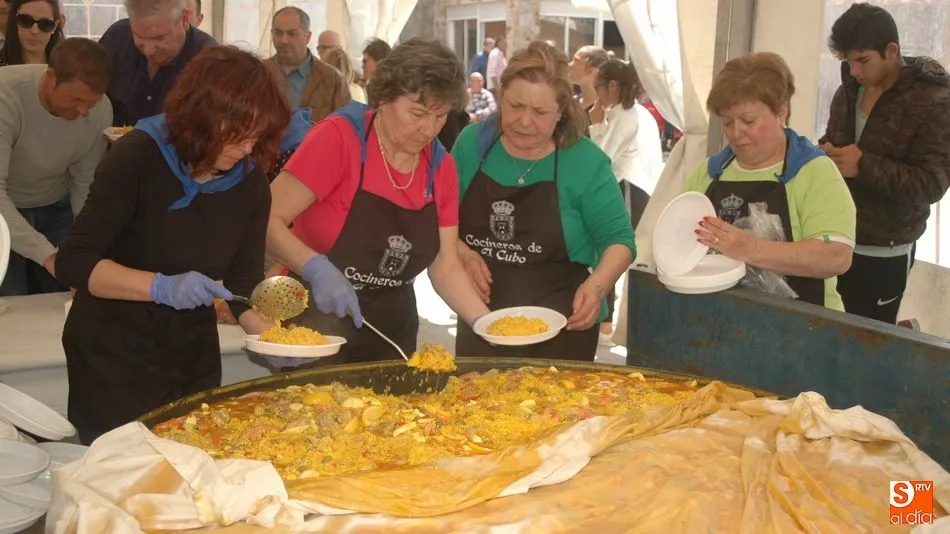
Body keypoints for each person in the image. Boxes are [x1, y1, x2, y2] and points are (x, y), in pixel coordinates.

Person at [56, 46, 290, 444]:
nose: (247, 149)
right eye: (238, 133)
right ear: (201, 115)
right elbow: (74, 261)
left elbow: (242, 282)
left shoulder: (249, 184)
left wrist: (271, 339)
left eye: (256, 136)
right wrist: (160, 286)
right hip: (112, 354)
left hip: (189, 357)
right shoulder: (138, 157)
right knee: (121, 470)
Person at [266, 38, 489, 366]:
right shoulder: (339, 138)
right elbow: (267, 219)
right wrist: (314, 267)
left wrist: (487, 324)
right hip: (314, 325)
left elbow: (445, 265)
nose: (428, 129)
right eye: (418, 113)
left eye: (440, 116)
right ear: (384, 97)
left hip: (391, 332)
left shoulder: (441, 168)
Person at [452, 41, 635, 361]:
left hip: (563, 324)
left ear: (561, 111)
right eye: (515, 106)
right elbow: (438, 222)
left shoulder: (585, 162)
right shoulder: (472, 145)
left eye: (539, 112)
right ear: (501, 96)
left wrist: (597, 286)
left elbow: (619, 240)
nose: (525, 121)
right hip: (481, 317)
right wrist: (462, 253)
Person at [686, 52, 856, 311]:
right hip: (718, 319)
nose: (736, 132)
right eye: (727, 122)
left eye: (749, 120)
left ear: (781, 111)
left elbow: (835, 256)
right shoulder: (708, 174)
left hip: (804, 325)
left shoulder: (814, 172)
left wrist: (749, 248)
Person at [819, 3, 950, 324]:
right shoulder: (847, 92)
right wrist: (823, 155)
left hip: (885, 251)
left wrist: (863, 166)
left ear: (891, 51)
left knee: (870, 338)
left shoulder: (935, 101)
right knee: (831, 331)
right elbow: (832, 141)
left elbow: (931, 184)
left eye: (863, 60)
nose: (855, 71)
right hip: (835, 240)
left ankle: (905, 333)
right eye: (848, 61)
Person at [0, 38, 112, 297]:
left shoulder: (101, 109)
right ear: (51, 78)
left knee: (74, 293)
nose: (84, 111)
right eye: (76, 99)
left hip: (57, 206)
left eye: (92, 103)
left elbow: (84, 183)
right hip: (4, 212)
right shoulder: (6, 98)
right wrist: (48, 256)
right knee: (11, 303)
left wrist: (86, 244)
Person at [589, 58, 663, 345]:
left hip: (627, 189)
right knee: (626, 256)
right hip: (644, 189)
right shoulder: (641, 112)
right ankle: (610, 325)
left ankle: (607, 326)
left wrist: (596, 125)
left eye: (598, 87)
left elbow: (598, 159)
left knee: (611, 253)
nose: (597, 94)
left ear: (613, 86)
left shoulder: (622, 114)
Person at [98, 0, 216, 127]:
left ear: (185, 19)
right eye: (139, 36)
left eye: (159, 38)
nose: (148, 51)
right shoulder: (117, 37)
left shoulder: (208, 60)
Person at [267, 6, 349, 121]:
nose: (284, 40)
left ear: (307, 37)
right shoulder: (257, 74)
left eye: (292, 34)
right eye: (278, 33)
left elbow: (345, 124)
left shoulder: (332, 79)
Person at [0, 0, 64, 67]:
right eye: (25, 21)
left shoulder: (66, 66)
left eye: (45, 24)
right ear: (15, 20)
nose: (34, 31)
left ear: (55, 26)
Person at [569, 45, 608, 112]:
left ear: (592, 70)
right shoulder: (569, 105)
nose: (570, 65)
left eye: (576, 60)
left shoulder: (606, 110)